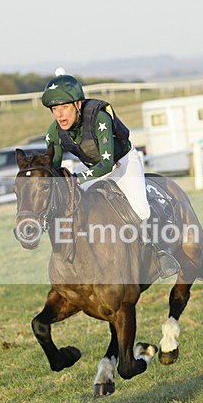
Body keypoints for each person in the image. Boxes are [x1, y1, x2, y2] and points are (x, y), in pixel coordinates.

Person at [40, 69, 180, 277]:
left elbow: (106, 164)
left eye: (64, 107)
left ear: (78, 104)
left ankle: (160, 253)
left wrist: (75, 179)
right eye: (54, 109)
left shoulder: (100, 118)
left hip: (122, 163)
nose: (59, 114)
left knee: (140, 208)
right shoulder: (55, 132)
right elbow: (54, 167)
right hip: (91, 168)